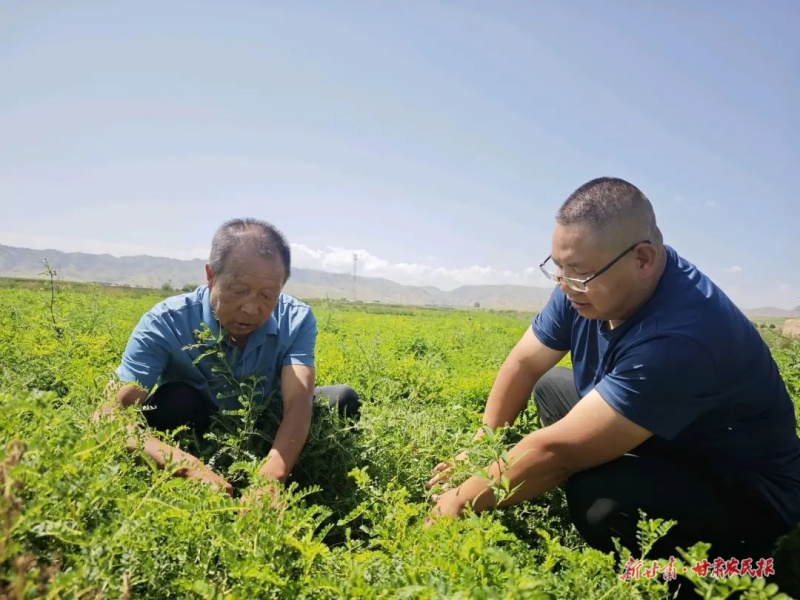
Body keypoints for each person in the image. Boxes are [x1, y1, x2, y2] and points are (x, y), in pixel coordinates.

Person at [426, 177, 800, 595]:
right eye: (557, 268)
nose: (565, 286)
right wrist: (483, 445)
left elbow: (556, 452)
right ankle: (608, 452)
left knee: (601, 502)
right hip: (669, 436)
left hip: (740, 489)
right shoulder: (583, 284)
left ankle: (731, 570)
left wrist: (460, 499)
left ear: (642, 258)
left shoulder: (684, 335)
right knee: (551, 385)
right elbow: (525, 362)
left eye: (579, 274)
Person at [94, 217, 360, 502]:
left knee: (342, 400)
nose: (250, 307)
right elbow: (108, 415)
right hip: (198, 420)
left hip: (266, 415)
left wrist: (271, 479)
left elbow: (297, 402)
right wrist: (187, 468)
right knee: (173, 401)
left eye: (267, 295)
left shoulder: (296, 318)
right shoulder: (166, 321)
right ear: (211, 276)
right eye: (238, 290)